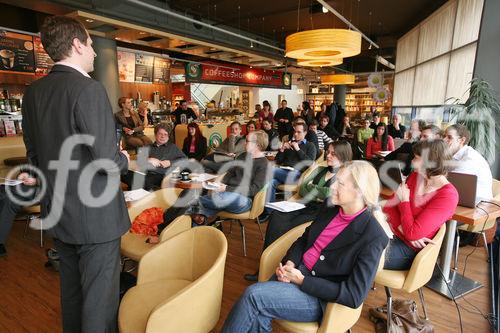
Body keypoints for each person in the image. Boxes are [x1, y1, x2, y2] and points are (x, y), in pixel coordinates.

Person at [21, 16, 130, 332]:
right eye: (92, 45)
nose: (95, 52)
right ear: (77, 44)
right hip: (96, 218)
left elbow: (35, 155)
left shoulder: (34, 93)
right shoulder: (89, 90)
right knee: (99, 303)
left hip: (58, 212)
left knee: (72, 297)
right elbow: (107, 161)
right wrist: (122, 158)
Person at [222, 161, 390, 332]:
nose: (331, 187)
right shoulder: (330, 206)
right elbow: (305, 239)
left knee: (253, 296)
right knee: (259, 311)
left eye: (339, 183)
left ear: (359, 191)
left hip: (318, 295)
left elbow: (354, 296)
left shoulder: (373, 236)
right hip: (296, 272)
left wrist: (301, 280)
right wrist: (290, 263)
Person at [244, 141, 353, 281]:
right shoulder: (321, 169)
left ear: (343, 156)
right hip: (303, 204)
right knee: (277, 217)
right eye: (328, 152)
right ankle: (265, 265)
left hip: (322, 212)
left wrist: (312, 188)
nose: (328, 155)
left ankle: (283, 267)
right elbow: (301, 188)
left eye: (333, 153)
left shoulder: (344, 176)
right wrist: (317, 191)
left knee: (291, 226)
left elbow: (330, 195)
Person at [383, 140, 459, 270]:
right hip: (393, 234)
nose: (411, 161)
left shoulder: (448, 196)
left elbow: (412, 233)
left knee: (358, 255)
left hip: (409, 250)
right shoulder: (415, 176)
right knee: (351, 242)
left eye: (416, 158)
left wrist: (404, 201)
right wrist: (404, 230)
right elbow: (388, 207)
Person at [191, 130, 271, 225]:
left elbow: (253, 190)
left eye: (247, 141)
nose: (245, 143)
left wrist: (226, 188)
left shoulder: (264, 164)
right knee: (198, 213)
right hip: (226, 193)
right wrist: (220, 183)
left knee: (227, 198)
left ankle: (192, 202)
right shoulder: (243, 156)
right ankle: (199, 220)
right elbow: (230, 172)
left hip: (245, 200)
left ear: (257, 145)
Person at [263, 122, 317, 219]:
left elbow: (309, 164)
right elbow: (278, 160)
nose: (295, 134)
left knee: (268, 170)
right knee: (270, 182)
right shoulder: (289, 144)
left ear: (305, 133)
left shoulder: (310, 146)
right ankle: (268, 212)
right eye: (294, 132)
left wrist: (297, 149)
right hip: (283, 172)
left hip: (299, 175)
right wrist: (282, 149)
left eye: (299, 132)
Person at [126, 123, 186, 190]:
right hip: (145, 173)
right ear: (155, 134)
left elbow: (185, 160)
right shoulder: (147, 147)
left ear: (168, 136)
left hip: (161, 175)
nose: (163, 136)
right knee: (125, 172)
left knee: (141, 180)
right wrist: (149, 160)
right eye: (160, 134)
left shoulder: (172, 147)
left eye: (165, 134)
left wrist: (170, 162)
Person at [444, 124, 493, 200]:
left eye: (449, 137)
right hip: (463, 200)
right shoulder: (452, 155)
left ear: (462, 140)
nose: (444, 140)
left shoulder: (470, 158)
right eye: (444, 136)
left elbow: (448, 182)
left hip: (480, 205)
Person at [0, 172, 38, 256]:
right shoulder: (36, 158)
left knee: (3, 191)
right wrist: (25, 175)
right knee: (9, 201)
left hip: (44, 189)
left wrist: (37, 181)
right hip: (26, 188)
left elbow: (56, 178)